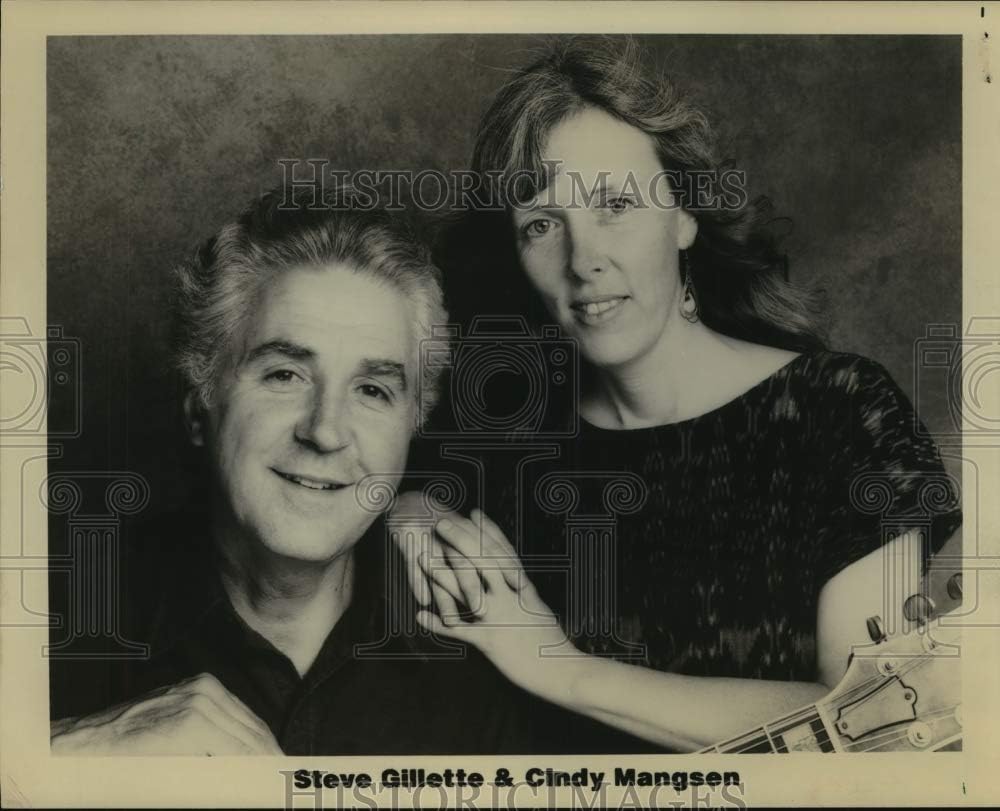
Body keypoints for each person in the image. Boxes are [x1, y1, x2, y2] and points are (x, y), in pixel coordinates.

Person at [398, 37, 963, 753]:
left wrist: (559, 666)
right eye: (542, 225)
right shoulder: (514, 440)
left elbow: (870, 720)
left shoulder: (839, 409)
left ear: (685, 216)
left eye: (616, 204)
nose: (584, 260)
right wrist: (406, 515)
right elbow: (381, 473)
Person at [48, 187, 543, 755]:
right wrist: (69, 750)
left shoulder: (485, 647)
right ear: (198, 408)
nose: (325, 431)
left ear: (413, 428)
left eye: (373, 390)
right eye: (285, 375)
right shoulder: (52, 614)